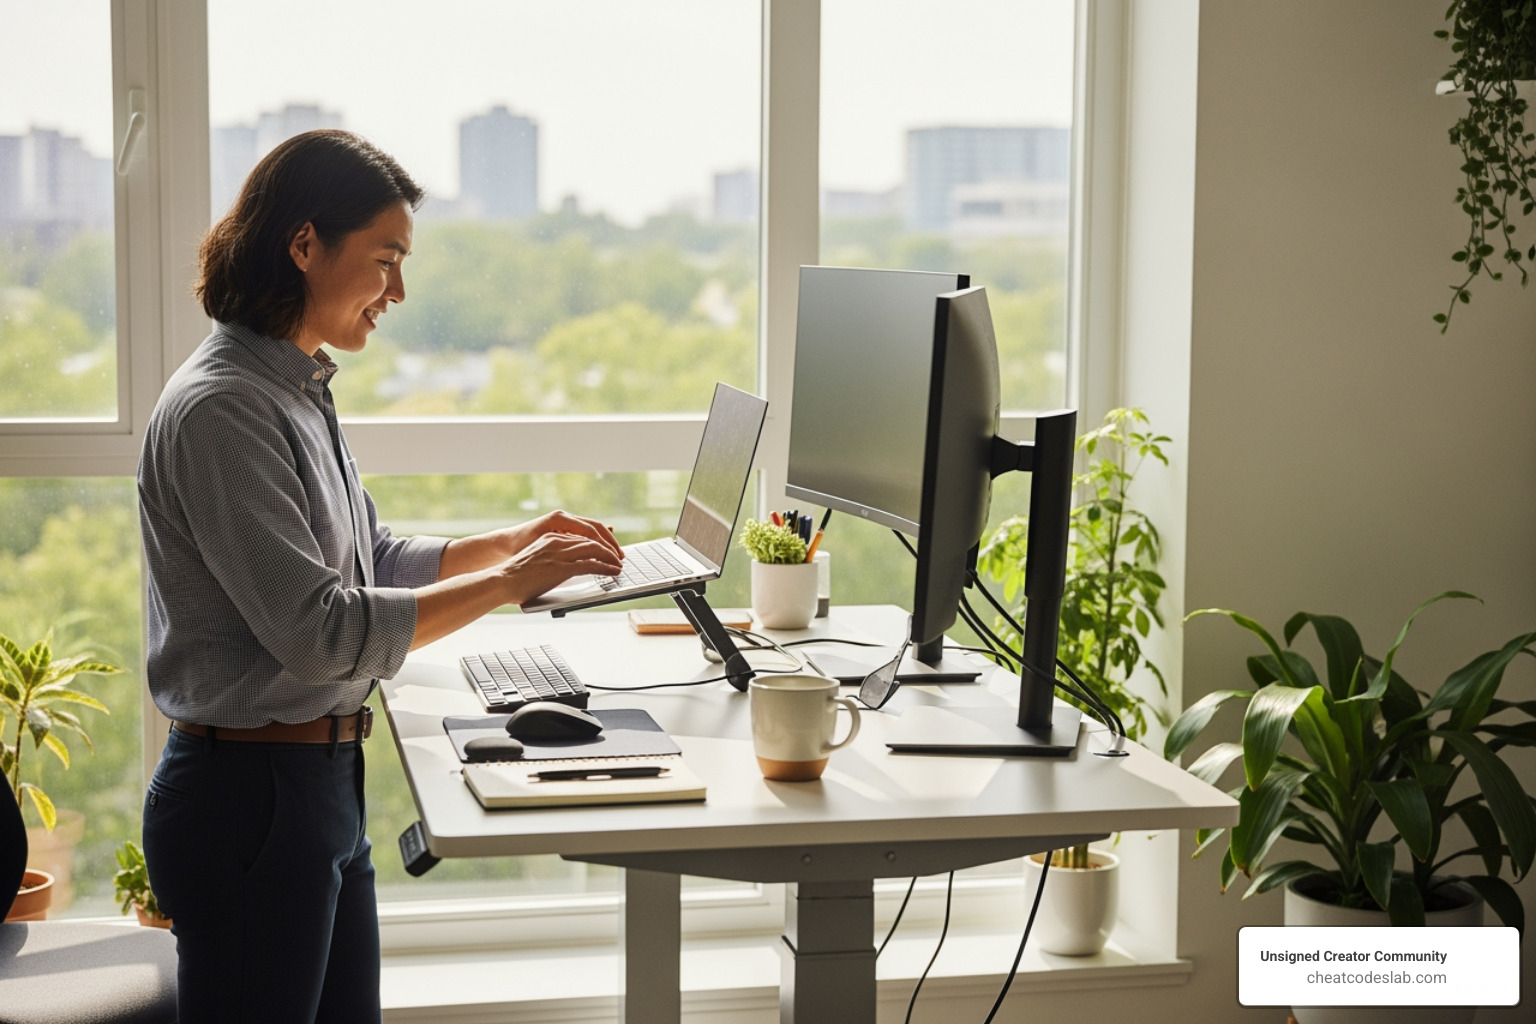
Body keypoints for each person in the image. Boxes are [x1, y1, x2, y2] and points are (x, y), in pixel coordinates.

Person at [136, 129, 623, 1024]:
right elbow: (322, 631)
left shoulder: (293, 387)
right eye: (386, 259)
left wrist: (505, 544)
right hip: (252, 804)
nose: (398, 291)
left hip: (316, 787)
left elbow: (371, 561)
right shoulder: (224, 410)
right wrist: (513, 580)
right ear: (304, 244)